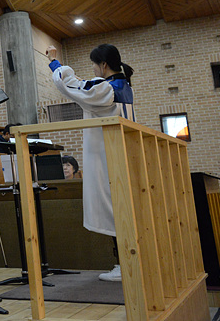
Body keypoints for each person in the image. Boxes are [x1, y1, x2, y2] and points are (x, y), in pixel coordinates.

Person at [46, 43, 135, 282]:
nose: (94, 69)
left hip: (106, 157)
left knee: (113, 209)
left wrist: (54, 62)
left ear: (103, 65)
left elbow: (70, 84)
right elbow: (83, 84)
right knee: (122, 207)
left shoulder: (106, 89)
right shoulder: (124, 86)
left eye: (94, 65)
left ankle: (125, 265)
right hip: (121, 154)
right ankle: (128, 262)